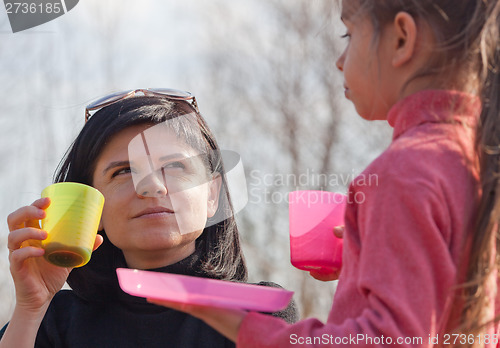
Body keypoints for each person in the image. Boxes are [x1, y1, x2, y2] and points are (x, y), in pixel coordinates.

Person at [151, 1, 500, 347]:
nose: (339, 60)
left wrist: (242, 324)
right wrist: (370, 259)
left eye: (348, 34)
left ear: (401, 39)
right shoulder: (478, 162)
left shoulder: (404, 170)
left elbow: (391, 340)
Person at [1, 89, 297, 348]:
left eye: (174, 166)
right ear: (92, 209)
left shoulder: (261, 312)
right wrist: (30, 309)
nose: (152, 186)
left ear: (211, 195)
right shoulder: (53, 322)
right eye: (124, 171)